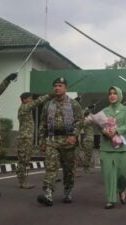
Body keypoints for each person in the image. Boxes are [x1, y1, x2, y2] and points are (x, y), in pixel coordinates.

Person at [37, 77, 83, 206]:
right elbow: (42, 123)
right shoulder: (48, 104)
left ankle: (67, 190)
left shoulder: (74, 104)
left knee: (69, 170)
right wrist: (42, 140)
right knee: (51, 167)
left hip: (69, 141)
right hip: (52, 140)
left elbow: (80, 121)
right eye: (55, 85)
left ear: (66, 88)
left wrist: (74, 135)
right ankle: (48, 193)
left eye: (60, 85)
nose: (57, 88)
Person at [98, 86, 126, 209]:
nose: (112, 95)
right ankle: (110, 199)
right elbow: (100, 126)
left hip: (122, 147)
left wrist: (116, 130)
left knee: (122, 174)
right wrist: (105, 131)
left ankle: (121, 190)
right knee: (108, 174)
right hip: (107, 147)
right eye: (110, 93)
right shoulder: (104, 111)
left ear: (119, 95)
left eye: (115, 93)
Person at [16, 92, 53, 189]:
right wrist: (49, 95)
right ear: (24, 100)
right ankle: (22, 181)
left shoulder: (26, 108)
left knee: (25, 159)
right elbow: (37, 102)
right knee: (23, 159)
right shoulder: (24, 107)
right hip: (24, 137)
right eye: (30, 98)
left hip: (26, 137)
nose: (32, 100)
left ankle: (23, 180)